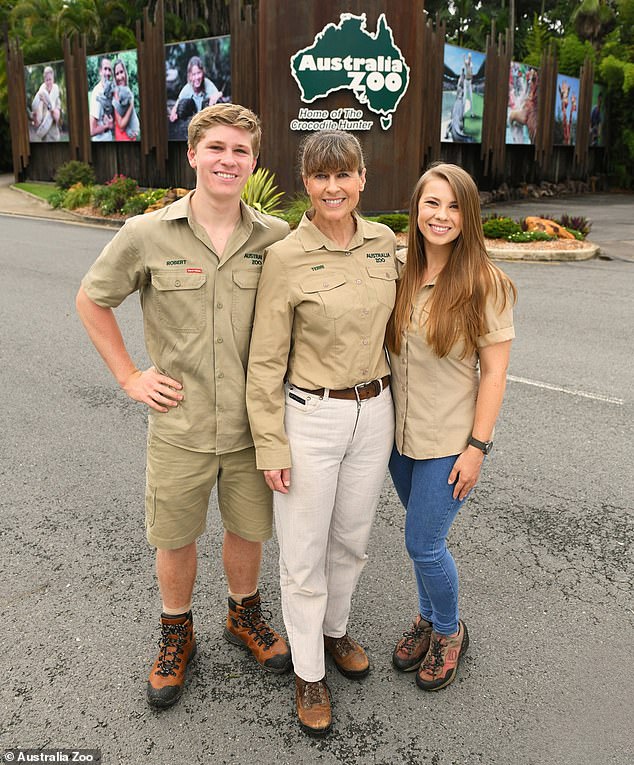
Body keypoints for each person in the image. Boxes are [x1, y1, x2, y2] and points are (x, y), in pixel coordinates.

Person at [76, 104, 292, 710]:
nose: (229, 160)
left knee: (249, 529)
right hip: (180, 425)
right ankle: (177, 632)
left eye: (241, 151)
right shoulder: (147, 235)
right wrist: (129, 376)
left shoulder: (273, 238)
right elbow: (93, 302)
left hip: (253, 429)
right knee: (174, 536)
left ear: (254, 162)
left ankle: (242, 617)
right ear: (193, 154)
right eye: (217, 148)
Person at [247, 130, 397, 734]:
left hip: (375, 411)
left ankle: (334, 633)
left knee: (352, 541)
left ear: (362, 178)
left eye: (344, 175)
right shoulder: (285, 257)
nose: (333, 188)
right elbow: (264, 361)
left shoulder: (385, 243)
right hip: (310, 416)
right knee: (304, 551)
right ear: (305, 183)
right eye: (320, 177)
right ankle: (308, 673)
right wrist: (270, 443)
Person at [386, 163, 516, 692]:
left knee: (424, 543)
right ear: (416, 208)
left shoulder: (487, 284)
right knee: (421, 539)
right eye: (431, 203)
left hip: (449, 443)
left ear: (469, 215)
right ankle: (425, 614)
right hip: (398, 440)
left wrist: (477, 448)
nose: (441, 216)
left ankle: (447, 630)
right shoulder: (395, 268)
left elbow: (496, 374)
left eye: (454, 206)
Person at [169, 56, 223, 124]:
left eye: (199, 73)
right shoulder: (187, 88)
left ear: (203, 73)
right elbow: (177, 103)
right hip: (191, 120)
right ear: (190, 76)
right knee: (183, 105)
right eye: (194, 74)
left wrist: (216, 96)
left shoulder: (207, 83)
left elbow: (219, 94)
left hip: (206, 120)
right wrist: (173, 113)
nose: (197, 77)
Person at [31, 65, 62, 142]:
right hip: (44, 140)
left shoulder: (56, 97)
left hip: (54, 139)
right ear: (44, 80)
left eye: (50, 79)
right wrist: (34, 116)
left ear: (53, 79)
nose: (48, 82)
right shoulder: (40, 96)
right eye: (46, 80)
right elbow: (37, 124)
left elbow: (57, 118)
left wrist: (47, 103)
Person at [112, 58, 140, 142]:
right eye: (117, 74)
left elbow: (131, 115)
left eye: (121, 72)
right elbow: (121, 125)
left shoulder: (126, 89)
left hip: (131, 136)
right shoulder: (116, 92)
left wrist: (136, 128)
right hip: (123, 137)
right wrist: (131, 104)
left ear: (125, 72)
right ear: (114, 77)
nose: (120, 77)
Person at [89, 57, 114, 141]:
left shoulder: (110, 89)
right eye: (105, 69)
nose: (107, 73)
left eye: (109, 70)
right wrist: (107, 126)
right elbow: (91, 130)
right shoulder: (97, 93)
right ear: (100, 71)